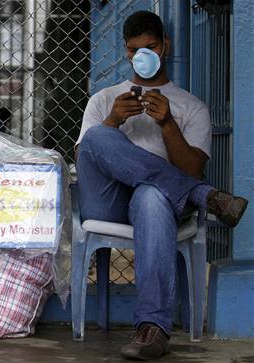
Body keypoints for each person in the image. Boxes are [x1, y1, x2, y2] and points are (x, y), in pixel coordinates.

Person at [75, 11, 248, 360]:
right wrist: (112, 122)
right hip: (107, 200)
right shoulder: (104, 100)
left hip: (157, 207)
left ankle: (152, 329)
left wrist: (168, 124)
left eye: (151, 46)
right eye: (135, 49)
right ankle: (208, 198)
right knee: (96, 136)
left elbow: (193, 168)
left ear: (165, 46)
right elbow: (86, 158)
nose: (143, 55)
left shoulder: (190, 107)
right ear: (126, 53)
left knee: (152, 195)